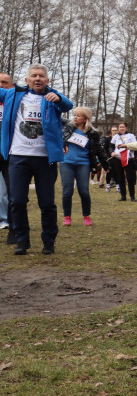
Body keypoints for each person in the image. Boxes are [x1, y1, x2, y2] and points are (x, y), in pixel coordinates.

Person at [0, 64, 74, 255]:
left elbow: (68, 105)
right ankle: (21, 240)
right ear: (27, 80)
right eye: (34, 76)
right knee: (16, 201)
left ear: (47, 81)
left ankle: (48, 241)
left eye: (41, 76)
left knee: (47, 203)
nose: (38, 79)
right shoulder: (12, 95)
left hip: (45, 159)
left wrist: (58, 97)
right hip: (18, 156)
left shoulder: (52, 97)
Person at [60, 107, 106, 226]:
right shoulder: (68, 127)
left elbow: (99, 150)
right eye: (74, 115)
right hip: (67, 162)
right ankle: (67, 217)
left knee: (84, 191)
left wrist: (106, 164)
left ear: (86, 118)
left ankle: (86, 216)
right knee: (67, 191)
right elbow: (57, 120)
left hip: (83, 164)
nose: (75, 117)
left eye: (78, 115)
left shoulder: (92, 133)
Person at [109, 122, 137, 202]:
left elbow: (135, 146)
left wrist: (133, 156)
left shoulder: (131, 136)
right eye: (120, 127)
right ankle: (123, 196)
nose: (121, 128)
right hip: (118, 159)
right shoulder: (115, 137)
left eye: (123, 127)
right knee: (120, 178)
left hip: (128, 159)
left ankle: (132, 196)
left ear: (126, 128)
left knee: (130, 178)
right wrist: (112, 153)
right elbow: (111, 147)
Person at [0, 72, 14, 236]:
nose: (1, 85)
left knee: (9, 191)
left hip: (10, 153)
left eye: (4, 82)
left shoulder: (12, 105)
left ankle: (7, 219)